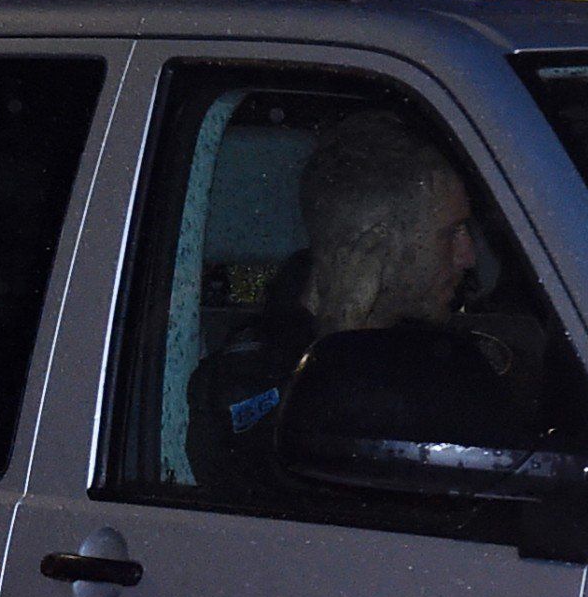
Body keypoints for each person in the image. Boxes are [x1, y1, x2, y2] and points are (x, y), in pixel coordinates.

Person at [190, 109, 539, 495]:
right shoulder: (240, 379)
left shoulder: (446, 354)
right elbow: (291, 510)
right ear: (377, 247)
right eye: (450, 234)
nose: (468, 256)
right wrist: (340, 339)